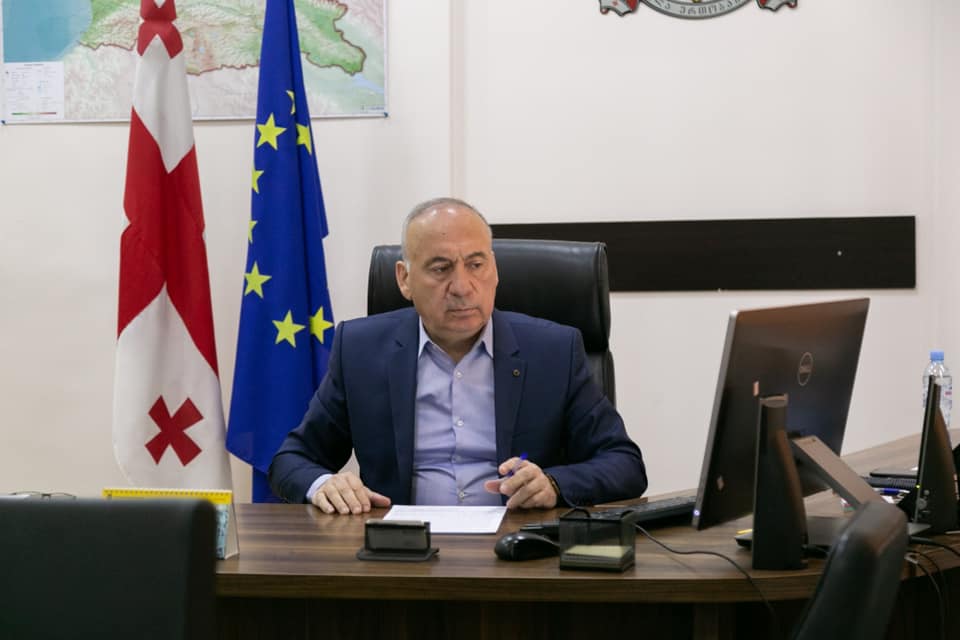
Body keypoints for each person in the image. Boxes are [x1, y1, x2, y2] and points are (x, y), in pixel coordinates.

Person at [269, 197, 647, 513]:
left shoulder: (554, 351)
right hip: (404, 555)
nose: (463, 286)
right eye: (441, 268)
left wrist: (553, 483)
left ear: (494, 270)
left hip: (518, 551)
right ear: (404, 279)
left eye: (476, 265)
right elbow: (291, 460)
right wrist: (323, 483)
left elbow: (625, 464)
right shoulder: (360, 350)